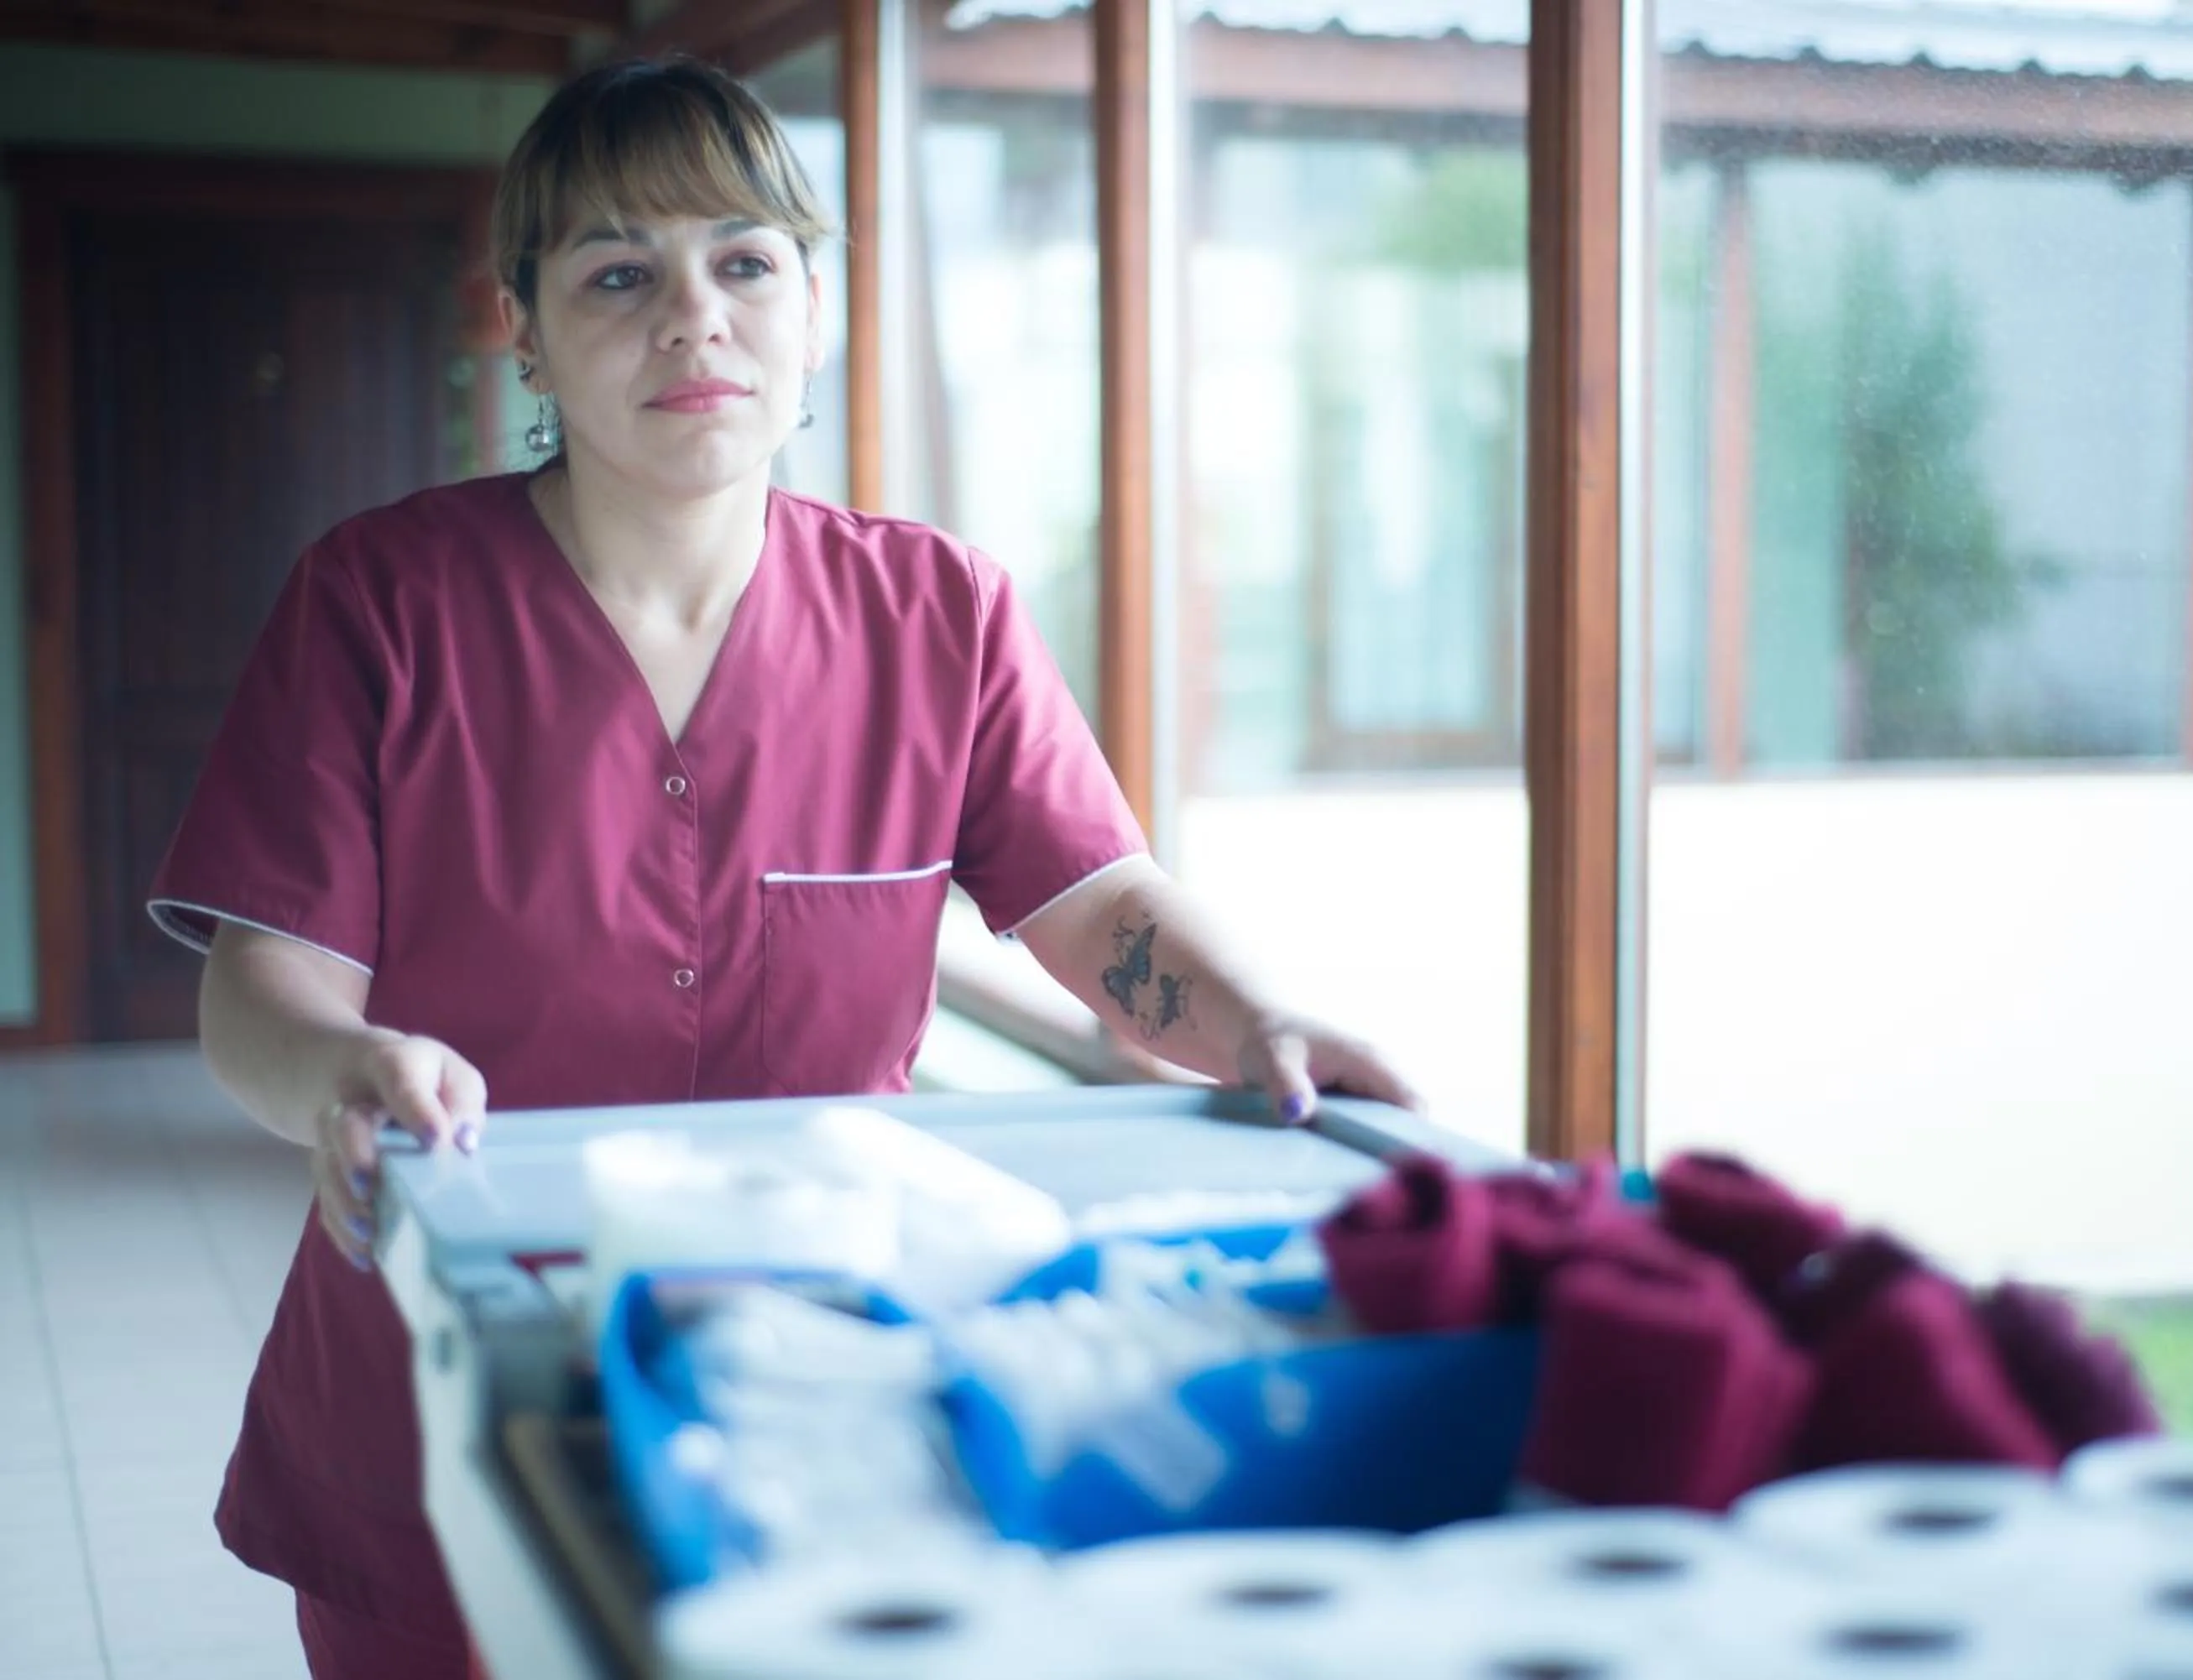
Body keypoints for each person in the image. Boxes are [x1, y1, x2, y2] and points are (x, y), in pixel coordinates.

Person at [147, 54, 1418, 1680]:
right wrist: (340, 1064)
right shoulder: (383, 602)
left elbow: (1095, 901)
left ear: (812, 306)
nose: (694, 317)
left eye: (744, 261)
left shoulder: (939, 614)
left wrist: (1256, 1020)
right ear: (524, 323)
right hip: (440, 1374)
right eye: (619, 272)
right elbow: (263, 974)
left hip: (811, 1380)